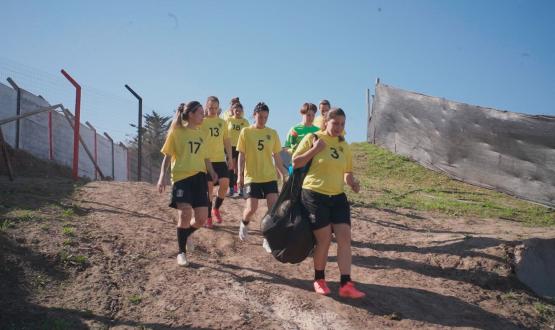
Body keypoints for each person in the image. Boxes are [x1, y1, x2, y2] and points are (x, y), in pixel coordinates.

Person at [292, 107, 365, 298]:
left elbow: (347, 172)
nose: (339, 127)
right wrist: (315, 150)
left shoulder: (344, 145)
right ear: (326, 121)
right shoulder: (313, 138)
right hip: (315, 195)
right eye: (336, 123)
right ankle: (319, 279)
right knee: (324, 239)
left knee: (344, 238)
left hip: (338, 196)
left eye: (342, 124)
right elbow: (296, 162)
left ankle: (346, 283)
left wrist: (352, 183)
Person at [157, 101, 218, 267]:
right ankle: (181, 252)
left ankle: (186, 234)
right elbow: (167, 157)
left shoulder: (202, 134)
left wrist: (211, 171)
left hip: (199, 179)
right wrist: (162, 175)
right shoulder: (176, 133)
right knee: (184, 214)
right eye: (200, 113)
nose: (203, 116)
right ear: (191, 114)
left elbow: (206, 158)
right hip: (181, 178)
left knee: (201, 219)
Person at [237, 102, 287, 252]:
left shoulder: (272, 133)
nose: (263, 120)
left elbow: (277, 156)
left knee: (273, 208)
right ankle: (244, 223)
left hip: (269, 176)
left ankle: (267, 238)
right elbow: (241, 155)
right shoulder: (246, 132)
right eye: (260, 117)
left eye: (265, 117)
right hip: (251, 176)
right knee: (251, 208)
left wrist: (283, 173)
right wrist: (239, 175)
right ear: (254, 115)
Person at [201, 96, 233, 228]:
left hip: (220, 159)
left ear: (218, 108)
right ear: (206, 107)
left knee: (225, 184)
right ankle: (208, 216)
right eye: (210, 108)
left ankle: (216, 208)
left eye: (215, 108)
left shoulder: (223, 123)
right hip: (206, 160)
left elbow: (227, 140)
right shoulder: (201, 122)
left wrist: (230, 158)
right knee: (209, 189)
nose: (213, 110)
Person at [283, 103, 320, 173]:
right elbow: (286, 147)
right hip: (298, 165)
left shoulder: (318, 130)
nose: (311, 117)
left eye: (313, 115)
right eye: (308, 115)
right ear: (302, 114)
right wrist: (293, 150)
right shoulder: (294, 129)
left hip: (313, 166)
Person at [226, 102, 250, 197]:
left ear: (242, 111)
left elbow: (248, 134)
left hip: (242, 147)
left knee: (239, 168)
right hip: (230, 146)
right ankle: (232, 188)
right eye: (236, 110)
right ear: (233, 111)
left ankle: (241, 189)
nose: (238, 112)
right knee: (231, 167)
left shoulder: (245, 122)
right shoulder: (228, 120)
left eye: (239, 110)